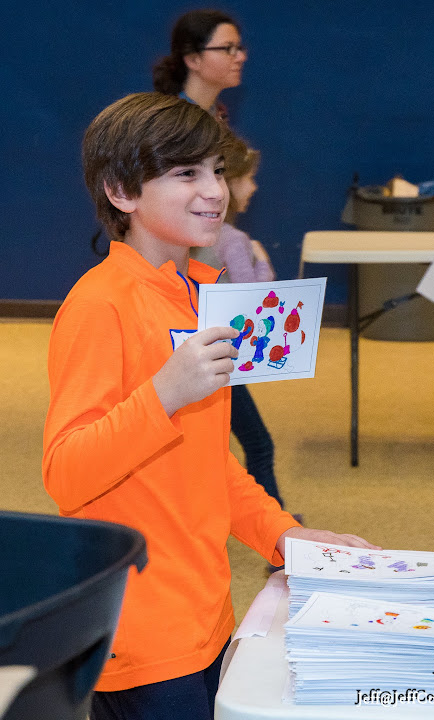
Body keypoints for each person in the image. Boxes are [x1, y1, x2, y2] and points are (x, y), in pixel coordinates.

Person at [42, 92, 380, 720]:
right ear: (121, 192)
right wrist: (164, 393)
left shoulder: (202, 295)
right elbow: (65, 474)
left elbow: (208, 460)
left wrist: (284, 536)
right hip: (143, 631)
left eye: (218, 170)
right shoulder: (99, 306)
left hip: (207, 612)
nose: (214, 190)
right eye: (185, 172)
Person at [192, 136, 288, 516]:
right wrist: (262, 260)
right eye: (248, 178)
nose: (254, 187)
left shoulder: (189, 236)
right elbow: (255, 301)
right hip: (222, 359)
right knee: (259, 444)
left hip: (195, 350)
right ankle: (278, 531)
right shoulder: (233, 240)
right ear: (229, 184)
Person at [152, 9, 247, 121]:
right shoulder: (168, 122)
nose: (241, 57)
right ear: (193, 59)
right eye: (228, 48)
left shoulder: (218, 117)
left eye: (238, 48)